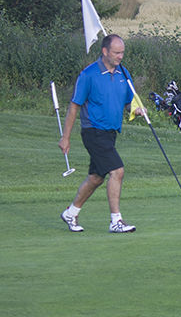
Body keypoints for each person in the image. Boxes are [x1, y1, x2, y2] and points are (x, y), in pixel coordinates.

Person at [58, 34, 145, 233]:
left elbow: (128, 101)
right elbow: (74, 107)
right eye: (116, 52)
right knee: (117, 171)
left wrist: (137, 109)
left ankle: (71, 213)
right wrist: (66, 137)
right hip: (93, 131)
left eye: (122, 52)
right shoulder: (88, 75)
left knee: (97, 177)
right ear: (105, 51)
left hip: (110, 133)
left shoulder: (124, 73)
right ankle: (116, 221)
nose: (120, 56)